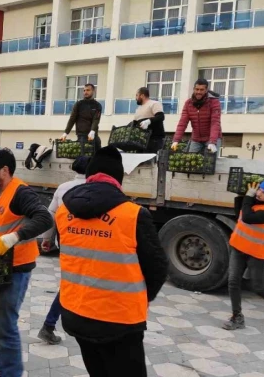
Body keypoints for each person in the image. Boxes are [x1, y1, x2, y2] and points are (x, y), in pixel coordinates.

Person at [55, 145, 168, 376]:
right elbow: (158, 267)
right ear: (118, 179)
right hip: (119, 320)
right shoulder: (133, 215)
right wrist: (141, 299)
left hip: (76, 314)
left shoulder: (64, 211)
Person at [0, 149, 53, 377]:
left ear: (5, 170)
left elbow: (44, 218)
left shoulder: (20, 192)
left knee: (5, 325)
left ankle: (11, 374)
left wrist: (13, 238)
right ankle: (2, 369)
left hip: (17, 268)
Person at [37, 156, 90, 345]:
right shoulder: (96, 189)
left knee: (73, 283)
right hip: (91, 245)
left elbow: (50, 215)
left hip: (65, 244)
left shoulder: (63, 187)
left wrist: (46, 239)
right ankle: (49, 325)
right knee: (75, 285)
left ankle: (52, 325)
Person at [222, 180, 264, 330]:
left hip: (258, 251)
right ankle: (237, 317)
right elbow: (240, 214)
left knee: (257, 286)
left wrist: (248, 198)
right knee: (233, 281)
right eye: (260, 189)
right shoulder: (253, 201)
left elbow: (248, 218)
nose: (259, 193)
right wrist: (243, 197)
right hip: (239, 246)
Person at [171, 78, 222, 154]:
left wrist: (212, 141)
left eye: (201, 90)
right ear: (193, 89)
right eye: (197, 89)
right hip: (196, 139)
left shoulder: (214, 102)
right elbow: (182, 123)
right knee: (191, 160)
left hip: (212, 138)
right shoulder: (188, 103)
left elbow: (215, 123)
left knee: (210, 162)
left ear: (206, 90)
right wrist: (176, 140)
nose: (198, 92)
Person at [61, 83, 102, 153]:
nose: (85, 92)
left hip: (93, 135)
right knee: (84, 157)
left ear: (93, 91)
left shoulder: (97, 105)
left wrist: (92, 131)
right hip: (82, 135)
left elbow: (96, 119)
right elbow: (72, 119)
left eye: (88, 90)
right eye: (84, 90)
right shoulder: (79, 104)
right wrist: (66, 132)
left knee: (98, 150)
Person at [133, 87, 165, 153]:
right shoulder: (138, 109)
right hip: (141, 141)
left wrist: (148, 121)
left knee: (150, 162)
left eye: (137, 95)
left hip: (154, 140)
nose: (135, 98)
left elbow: (161, 116)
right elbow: (134, 123)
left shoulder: (154, 103)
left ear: (142, 95)